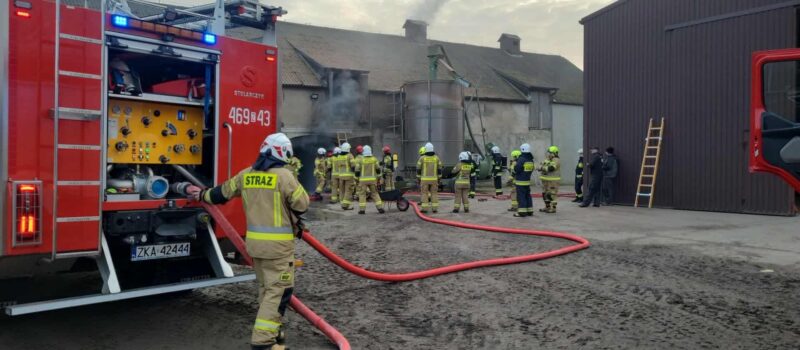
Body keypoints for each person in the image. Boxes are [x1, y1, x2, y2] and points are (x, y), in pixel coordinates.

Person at [186, 133, 309, 350]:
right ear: (282, 153)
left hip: (254, 246)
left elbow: (218, 195)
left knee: (266, 289)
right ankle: (263, 342)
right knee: (279, 292)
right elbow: (302, 205)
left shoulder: (246, 175)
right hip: (278, 249)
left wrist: (200, 194)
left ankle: (275, 337)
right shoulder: (285, 176)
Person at [354, 145, 385, 214]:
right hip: (372, 180)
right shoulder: (374, 159)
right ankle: (380, 208)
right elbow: (378, 169)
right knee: (375, 194)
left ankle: (362, 210)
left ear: (363, 152)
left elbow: (357, 171)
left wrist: (356, 179)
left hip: (362, 181)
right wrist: (379, 178)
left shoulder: (361, 160)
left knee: (362, 194)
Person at [417, 142, 442, 213]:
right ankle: (434, 209)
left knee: (424, 194)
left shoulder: (422, 158)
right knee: (434, 193)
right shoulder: (437, 158)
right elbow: (439, 169)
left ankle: (424, 209)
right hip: (434, 180)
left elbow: (418, 169)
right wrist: (439, 178)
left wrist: (418, 178)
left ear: (426, 150)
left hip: (424, 180)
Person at [514, 143, 535, 217]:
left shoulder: (521, 159)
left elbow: (517, 169)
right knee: (527, 195)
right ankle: (530, 211)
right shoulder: (531, 159)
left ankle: (522, 212)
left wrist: (514, 168)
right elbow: (532, 169)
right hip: (527, 181)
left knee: (521, 196)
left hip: (520, 181)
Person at [539, 146, 562, 213]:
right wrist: (541, 167)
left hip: (553, 181)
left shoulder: (556, 160)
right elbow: (540, 165)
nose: (548, 154)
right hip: (545, 180)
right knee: (545, 194)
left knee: (551, 194)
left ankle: (553, 208)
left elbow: (551, 168)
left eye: (550, 153)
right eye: (548, 152)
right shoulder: (547, 159)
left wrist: (542, 168)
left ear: (554, 153)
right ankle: (547, 207)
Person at [338, 143, 356, 210]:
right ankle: (345, 205)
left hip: (341, 176)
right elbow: (353, 165)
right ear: (348, 149)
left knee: (342, 191)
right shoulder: (350, 155)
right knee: (348, 190)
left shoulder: (339, 156)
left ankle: (343, 204)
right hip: (349, 176)